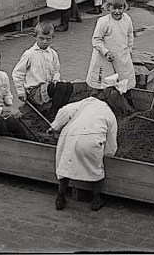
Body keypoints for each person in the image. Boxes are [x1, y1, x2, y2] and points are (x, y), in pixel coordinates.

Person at [49, 73, 133, 211]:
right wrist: (108, 155)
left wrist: (54, 127)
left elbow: (65, 111)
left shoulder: (87, 102)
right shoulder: (110, 115)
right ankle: (96, 199)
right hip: (91, 142)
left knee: (65, 166)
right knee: (96, 169)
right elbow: (111, 143)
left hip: (69, 136)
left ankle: (60, 197)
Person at [12, 22, 73, 119]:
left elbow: (56, 70)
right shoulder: (29, 54)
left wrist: (56, 80)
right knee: (61, 87)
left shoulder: (52, 53)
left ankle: (59, 109)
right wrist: (20, 91)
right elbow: (17, 73)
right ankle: (53, 113)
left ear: (52, 38)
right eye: (41, 38)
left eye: (48, 39)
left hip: (48, 87)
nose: (44, 42)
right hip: (34, 91)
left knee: (68, 86)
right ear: (35, 37)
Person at [85, 0, 136, 91]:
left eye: (120, 8)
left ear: (124, 7)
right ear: (109, 7)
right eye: (114, 8)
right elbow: (96, 40)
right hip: (105, 59)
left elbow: (130, 36)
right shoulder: (103, 22)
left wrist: (129, 50)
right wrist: (105, 52)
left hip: (122, 57)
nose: (117, 11)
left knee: (124, 82)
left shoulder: (127, 20)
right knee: (105, 84)